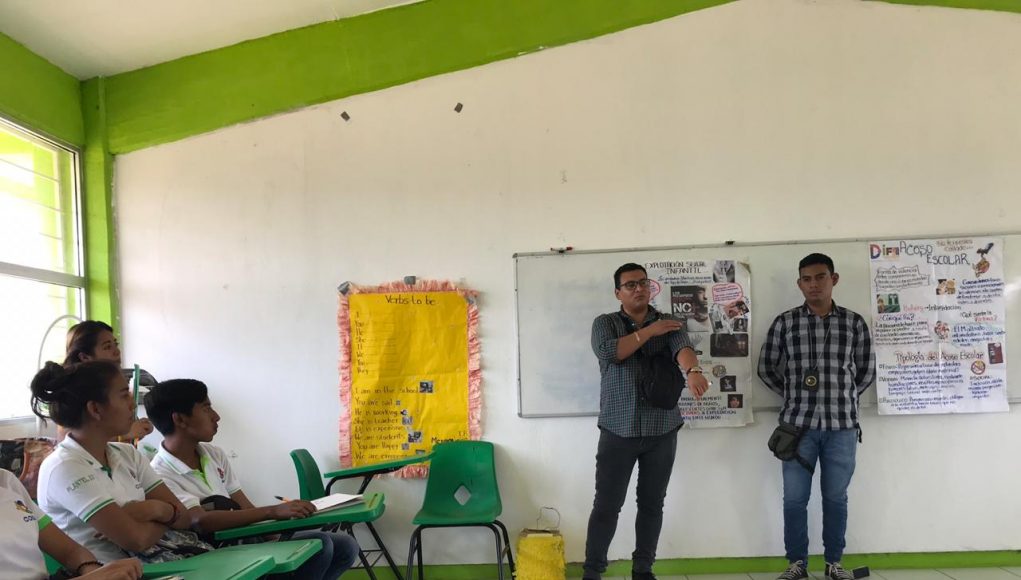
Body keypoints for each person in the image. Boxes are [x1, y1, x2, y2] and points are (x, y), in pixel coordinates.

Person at [144, 379, 359, 579]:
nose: (216, 416)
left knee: (345, 546)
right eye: (206, 408)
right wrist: (273, 511)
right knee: (321, 546)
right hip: (212, 553)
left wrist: (274, 537)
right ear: (180, 419)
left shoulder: (214, 454)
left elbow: (243, 505)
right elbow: (199, 521)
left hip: (244, 541)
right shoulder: (159, 473)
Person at [584, 263, 709, 580]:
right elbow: (610, 353)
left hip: (661, 429)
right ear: (618, 293)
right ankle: (593, 571)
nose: (639, 288)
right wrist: (649, 332)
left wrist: (693, 371)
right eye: (630, 285)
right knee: (607, 505)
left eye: (643, 282)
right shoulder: (606, 323)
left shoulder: (669, 323)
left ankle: (643, 570)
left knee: (652, 504)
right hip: (618, 429)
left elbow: (683, 348)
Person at [757, 254, 876, 580]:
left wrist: (842, 396)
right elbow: (766, 368)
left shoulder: (853, 323)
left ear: (833, 279)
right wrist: (792, 396)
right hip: (797, 428)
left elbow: (866, 371)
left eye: (820, 277)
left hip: (842, 427)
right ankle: (797, 564)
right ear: (799, 284)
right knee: (795, 499)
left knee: (836, 498)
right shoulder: (785, 322)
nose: (814, 284)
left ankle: (833, 564)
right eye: (807, 279)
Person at [32, 361, 193, 564]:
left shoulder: (128, 454)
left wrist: (155, 509)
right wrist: (167, 516)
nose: (132, 404)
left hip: (158, 564)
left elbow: (185, 519)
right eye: (124, 395)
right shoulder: (64, 466)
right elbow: (136, 540)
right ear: (95, 409)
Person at [1, 468, 143, 580]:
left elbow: (70, 551)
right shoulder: (62, 466)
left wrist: (93, 570)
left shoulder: (6, 481)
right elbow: (136, 538)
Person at [64, 321, 155, 442]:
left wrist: (133, 426)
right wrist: (124, 435)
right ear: (85, 357)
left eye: (115, 344)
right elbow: (71, 441)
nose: (117, 351)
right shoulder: (73, 394)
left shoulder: (113, 382)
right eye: (107, 347)